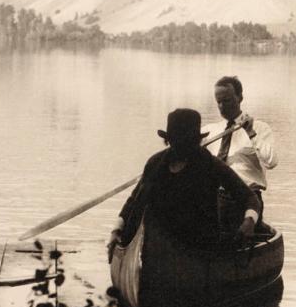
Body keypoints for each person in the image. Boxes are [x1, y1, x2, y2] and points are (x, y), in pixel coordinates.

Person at [107, 108, 258, 261]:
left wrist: (249, 221)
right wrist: (116, 230)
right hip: (157, 246)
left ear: (195, 141)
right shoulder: (155, 163)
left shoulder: (210, 164)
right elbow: (135, 200)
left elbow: (249, 198)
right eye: (175, 140)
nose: (180, 145)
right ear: (169, 140)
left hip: (200, 246)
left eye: (186, 141)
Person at [204, 75, 277, 225]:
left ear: (240, 97)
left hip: (247, 201)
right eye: (219, 102)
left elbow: (271, 162)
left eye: (228, 100)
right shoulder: (209, 131)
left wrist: (251, 133)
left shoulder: (260, 128)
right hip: (214, 199)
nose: (223, 106)